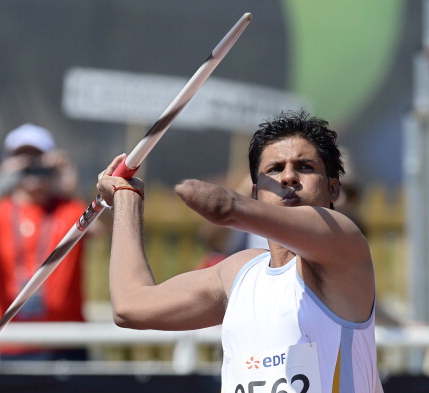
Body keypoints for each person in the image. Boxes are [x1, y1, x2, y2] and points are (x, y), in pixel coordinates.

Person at [97, 110, 383, 392]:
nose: (288, 178)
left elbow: (223, 206)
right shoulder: (239, 274)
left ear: (333, 189)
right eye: (274, 169)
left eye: (305, 167)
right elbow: (130, 306)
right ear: (256, 191)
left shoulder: (343, 246)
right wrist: (127, 196)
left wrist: (181, 187)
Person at [0, 123, 90, 361]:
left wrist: (72, 188)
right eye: (22, 157)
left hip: (66, 342)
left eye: (37, 157)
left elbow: (105, 228)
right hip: (15, 345)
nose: (31, 164)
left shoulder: (68, 207)